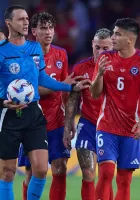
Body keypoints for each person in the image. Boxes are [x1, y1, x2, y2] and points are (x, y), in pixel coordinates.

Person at [0, 5, 89, 200]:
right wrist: (3, 102)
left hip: (34, 113)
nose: (25, 22)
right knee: (7, 172)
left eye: (26, 19)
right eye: (21, 19)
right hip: (9, 116)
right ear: (8, 23)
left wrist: (69, 87)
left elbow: (42, 79)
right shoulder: (2, 51)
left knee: (41, 170)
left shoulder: (34, 48)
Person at [90, 18, 140, 200]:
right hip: (106, 126)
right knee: (105, 173)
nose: (112, 38)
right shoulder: (105, 58)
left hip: (132, 129)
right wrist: (99, 75)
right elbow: (95, 93)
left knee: (124, 180)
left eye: (117, 34)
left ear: (130, 38)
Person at [63, 28, 113, 200]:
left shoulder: (120, 68)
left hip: (112, 128)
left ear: (113, 46)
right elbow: (72, 99)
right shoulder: (81, 68)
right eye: (97, 47)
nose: (100, 52)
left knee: (107, 175)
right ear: (92, 44)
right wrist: (68, 124)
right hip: (88, 124)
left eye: (105, 48)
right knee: (88, 172)